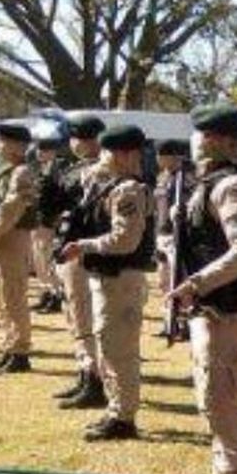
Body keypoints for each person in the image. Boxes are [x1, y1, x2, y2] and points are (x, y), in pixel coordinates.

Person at [165, 103, 237, 474]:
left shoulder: (233, 186)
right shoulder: (208, 182)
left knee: (219, 395)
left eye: (203, 134)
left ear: (224, 140)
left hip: (223, 307)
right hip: (206, 306)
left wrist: (196, 283)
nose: (196, 142)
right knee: (211, 394)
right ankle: (225, 470)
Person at [57, 124, 154, 441]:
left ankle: (124, 417)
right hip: (106, 277)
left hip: (122, 278)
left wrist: (83, 246)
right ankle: (116, 411)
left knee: (120, 351)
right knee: (109, 348)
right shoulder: (108, 185)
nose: (104, 159)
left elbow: (125, 240)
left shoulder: (129, 190)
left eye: (110, 152)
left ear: (127, 154)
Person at [53, 115, 107, 406]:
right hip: (68, 249)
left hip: (85, 252)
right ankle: (85, 372)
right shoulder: (74, 169)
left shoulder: (99, 171)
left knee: (85, 316)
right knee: (74, 314)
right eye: (75, 138)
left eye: (82, 138)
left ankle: (96, 379)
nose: (77, 144)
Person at [0, 122, 39, 374]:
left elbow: (11, 209)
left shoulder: (22, 172)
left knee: (13, 295)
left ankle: (20, 351)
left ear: (16, 145)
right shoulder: (7, 171)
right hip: (2, 238)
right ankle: (10, 346)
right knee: (1, 294)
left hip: (12, 236)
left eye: (0, 141)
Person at [152, 139, 192, 340]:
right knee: (163, 280)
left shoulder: (185, 178)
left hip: (177, 235)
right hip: (161, 233)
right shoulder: (162, 177)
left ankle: (185, 322)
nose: (158, 159)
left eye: (161, 155)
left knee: (180, 281)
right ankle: (169, 320)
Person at [30, 135, 69, 314]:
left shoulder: (60, 169)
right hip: (38, 221)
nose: (40, 153)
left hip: (50, 221)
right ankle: (45, 292)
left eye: (44, 150)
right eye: (39, 149)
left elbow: (62, 197)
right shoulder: (41, 169)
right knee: (39, 260)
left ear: (52, 152)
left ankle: (56, 296)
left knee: (48, 260)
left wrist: (57, 218)